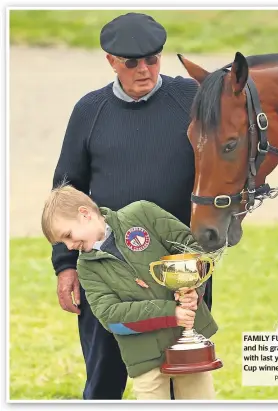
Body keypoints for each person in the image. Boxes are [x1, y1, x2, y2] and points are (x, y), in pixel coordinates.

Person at [51, 12, 213, 399]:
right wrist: (65, 266)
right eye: (131, 62)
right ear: (111, 61)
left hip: (178, 265)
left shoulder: (190, 99)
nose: (144, 69)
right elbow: (65, 192)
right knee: (105, 377)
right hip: (105, 268)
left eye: (152, 59)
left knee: (184, 376)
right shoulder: (89, 111)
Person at [41, 184, 217, 400]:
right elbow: (111, 317)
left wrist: (193, 290)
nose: (68, 246)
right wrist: (172, 313)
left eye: (68, 235)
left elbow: (192, 248)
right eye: (63, 242)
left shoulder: (143, 213)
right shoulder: (86, 269)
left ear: (84, 214)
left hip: (192, 347)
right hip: (144, 360)